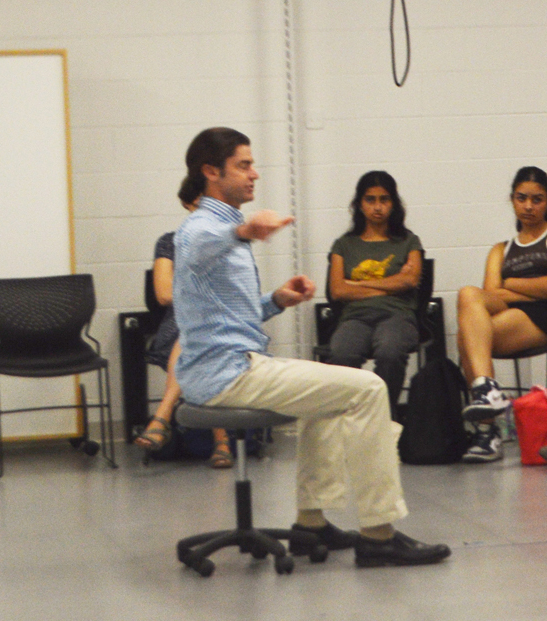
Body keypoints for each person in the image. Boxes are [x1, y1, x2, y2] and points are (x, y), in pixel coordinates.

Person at [170, 127, 447, 565]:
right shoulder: (204, 228)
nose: (254, 174)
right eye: (243, 165)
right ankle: (379, 535)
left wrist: (278, 299)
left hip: (233, 364)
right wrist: (244, 230)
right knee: (369, 388)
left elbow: (229, 316)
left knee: (330, 398)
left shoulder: (223, 228)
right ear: (210, 172)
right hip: (227, 374)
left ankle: (310, 524)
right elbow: (196, 245)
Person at [457, 166, 547, 462]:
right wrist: (535, 286)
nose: (528, 206)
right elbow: (489, 295)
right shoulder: (501, 249)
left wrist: (511, 283)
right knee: (467, 296)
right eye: (522, 198)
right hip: (512, 314)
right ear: (512, 200)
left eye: (537, 199)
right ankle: (488, 391)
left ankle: (488, 433)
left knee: (468, 338)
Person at [133, 191, 233, 469]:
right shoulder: (170, 243)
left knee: (202, 341)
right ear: (188, 205)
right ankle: (222, 441)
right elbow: (164, 294)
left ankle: (162, 417)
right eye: (201, 202)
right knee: (197, 340)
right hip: (181, 325)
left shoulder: (232, 241)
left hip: (223, 327)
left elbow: (239, 294)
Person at [324, 170, 424, 413]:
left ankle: (382, 418)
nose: (377, 207)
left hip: (397, 316)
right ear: (359, 204)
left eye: (384, 199)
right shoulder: (344, 245)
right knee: (340, 354)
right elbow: (337, 291)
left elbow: (410, 281)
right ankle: (350, 418)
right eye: (370, 200)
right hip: (355, 317)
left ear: (393, 203)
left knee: (390, 352)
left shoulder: (409, 241)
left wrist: (356, 285)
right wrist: (392, 284)